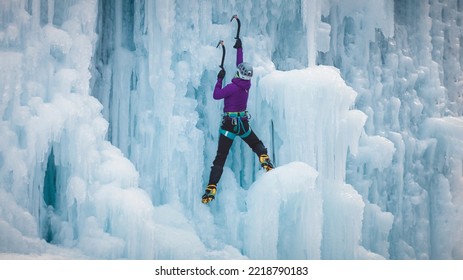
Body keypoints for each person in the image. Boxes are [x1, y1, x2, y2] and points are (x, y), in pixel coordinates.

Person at [201, 38, 274, 204]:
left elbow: (216, 95)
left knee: (221, 157)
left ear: (239, 73)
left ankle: (212, 187)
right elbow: (240, 65)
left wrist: (219, 79)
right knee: (255, 143)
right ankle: (264, 158)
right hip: (242, 123)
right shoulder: (246, 85)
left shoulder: (232, 87)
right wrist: (239, 48)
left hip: (229, 125)